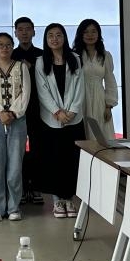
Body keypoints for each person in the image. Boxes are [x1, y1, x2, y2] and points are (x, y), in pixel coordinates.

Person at [34, 23, 85, 219]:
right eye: (50, 36)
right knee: (54, 160)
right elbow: (42, 90)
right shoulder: (41, 61)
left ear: (64, 37)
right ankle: (57, 201)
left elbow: (80, 87)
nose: (54, 39)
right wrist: (57, 111)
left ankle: (69, 199)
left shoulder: (75, 59)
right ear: (46, 40)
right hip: (51, 119)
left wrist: (71, 111)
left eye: (58, 35)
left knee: (72, 160)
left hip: (73, 119)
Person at [0, 32, 30, 222]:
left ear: (12, 47)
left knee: (15, 165)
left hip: (17, 120)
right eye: (0, 45)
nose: (4, 48)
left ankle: (14, 207)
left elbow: (25, 93)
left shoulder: (21, 67)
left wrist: (14, 113)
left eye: (8, 44)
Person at [12, 16, 44, 206]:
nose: (24, 33)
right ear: (15, 32)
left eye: (28, 29)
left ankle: (37, 186)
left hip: (38, 109)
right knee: (18, 149)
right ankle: (23, 186)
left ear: (34, 32)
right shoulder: (11, 54)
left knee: (38, 148)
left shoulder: (42, 55)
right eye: (20, 29)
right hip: (17, 109)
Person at [72, 19, 119, 142]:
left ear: (99, 34)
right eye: (86, 32)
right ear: (81, 34)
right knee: (83, 133)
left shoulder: (105, 55)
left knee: (102, 134)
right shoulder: (74, 55)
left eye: (93, 31)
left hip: (99, 99)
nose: (90, 35)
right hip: (80, 98)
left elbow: (110, 81)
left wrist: (109, 106)